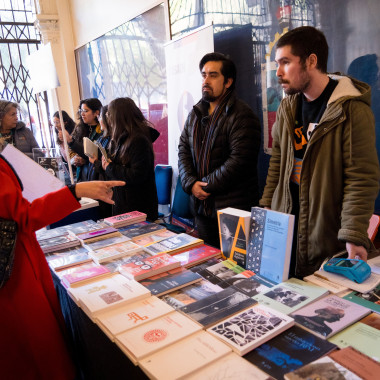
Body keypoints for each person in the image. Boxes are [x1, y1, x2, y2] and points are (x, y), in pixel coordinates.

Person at [260, 26, 380, 278]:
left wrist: (354, 233)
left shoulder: (350, 110)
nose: (278, 72)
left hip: (326, 230)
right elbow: (277, 165)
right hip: (285, 227)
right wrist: (265, 212)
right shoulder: (287, 107)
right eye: (277, 64)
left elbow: (361, 178)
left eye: (285, 62)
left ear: (311, 61)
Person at [0, 153, 124, 379]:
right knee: (37, 352)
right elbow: (23, 217)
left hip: (16, 267)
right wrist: (76, 192)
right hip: (14, 277)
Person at [178, 52, 261, 248]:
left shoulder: (242, 115)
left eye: (213, 75)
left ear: (228, 82)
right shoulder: (195, 113)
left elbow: (239, 162)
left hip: (233, 211)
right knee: (208, 266)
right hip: (202, 209)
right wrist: (190, 183)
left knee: (234, 273)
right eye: (204, 75)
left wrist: (205, 186)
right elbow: (183, 149)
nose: (206, 80)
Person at [102, 97, 159, 221]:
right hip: (123, 203)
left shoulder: (139, 140)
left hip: (138, 207)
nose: (107, 117)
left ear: (118, 116)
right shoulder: (120, 138)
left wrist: (109, 167)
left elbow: (136, 175)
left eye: (109, 114)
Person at [65, 98, 103, 182]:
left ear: (96, 112)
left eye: (85, 111)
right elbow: (71, 149)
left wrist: (85, 160)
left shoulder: (102, 129)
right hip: (81, 173)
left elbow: (99, 153)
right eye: (81, 110)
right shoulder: (79, 128)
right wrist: (75, 159)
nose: (82, 114)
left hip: (96, 174)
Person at [88, 105, 112, 218]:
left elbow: (107, 166)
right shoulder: (103, 137)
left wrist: (96, 162)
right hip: (99, 183)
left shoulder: (112, 139)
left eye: (100, 117)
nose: (99, 120)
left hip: (108, 187)